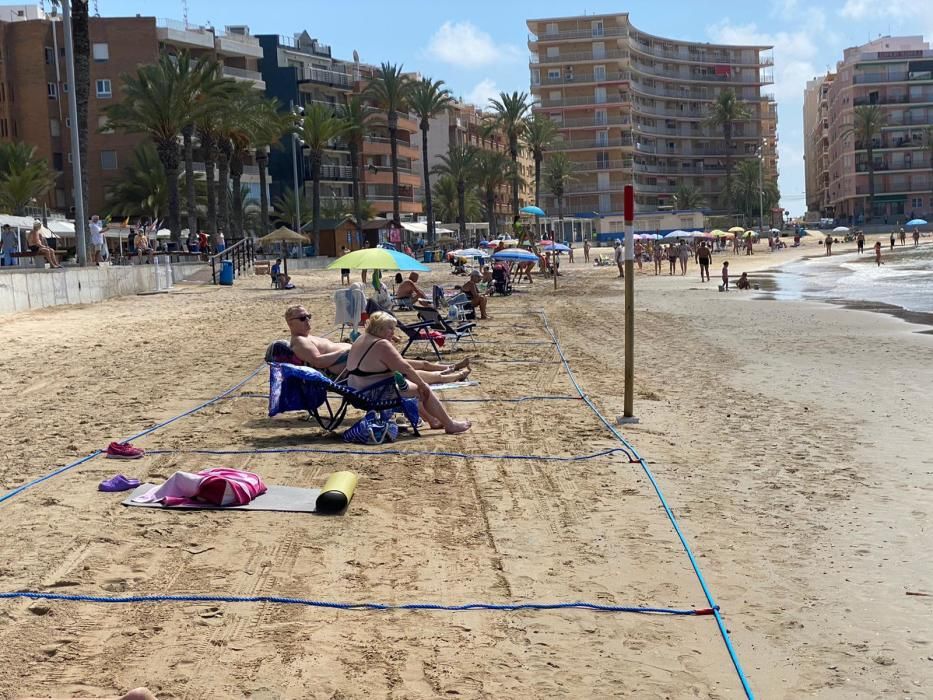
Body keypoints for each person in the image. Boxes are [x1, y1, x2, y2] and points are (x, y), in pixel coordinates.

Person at [345, 312, 471, 434]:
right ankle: (450, 424)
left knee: (411, 386)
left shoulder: (362, 338)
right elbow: (406, 368)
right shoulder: (382, 344)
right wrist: (422, 385)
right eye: (390, 328)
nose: (393, 332)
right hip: (373, 394)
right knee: (423, 390)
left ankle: (433, 420)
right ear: (379, 328)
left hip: (355, 391)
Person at [285, 306, 470, 383]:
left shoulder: (308, 336)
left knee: (405, 363)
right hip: (347, 368)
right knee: (402, 369)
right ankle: (448, 375)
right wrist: (347, 351)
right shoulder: (300, 342)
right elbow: (318, 362)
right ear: (290, 323)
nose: (307, 320)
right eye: (302, 318)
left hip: (352, 359)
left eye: (309, 316)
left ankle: (449, 367)